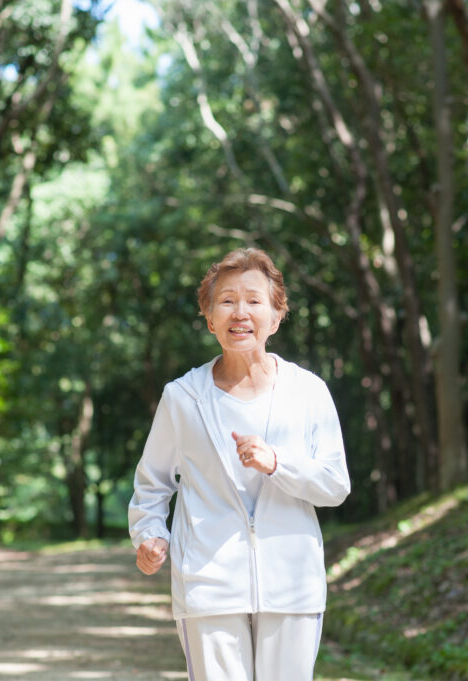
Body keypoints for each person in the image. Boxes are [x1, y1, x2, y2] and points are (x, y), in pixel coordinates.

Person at [128, 247, 351, 681]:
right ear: (210, 318)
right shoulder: (183, 397)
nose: (240, 312)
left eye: (253, 300)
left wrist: (278, 462)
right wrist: (149, 533)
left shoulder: (308, 392)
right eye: (226, 301)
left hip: (292, 585)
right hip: (208, 586)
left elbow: (334, 484)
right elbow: (152, 483)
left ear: (276, 315)